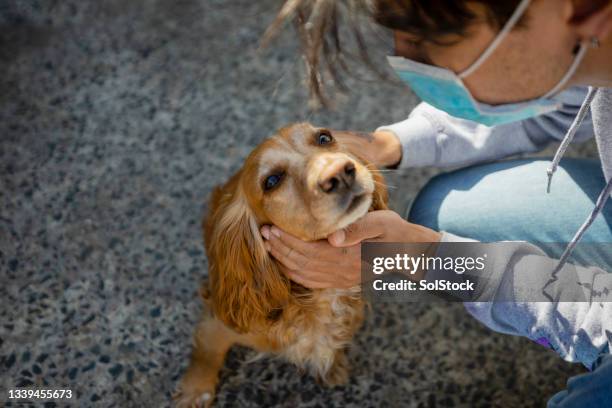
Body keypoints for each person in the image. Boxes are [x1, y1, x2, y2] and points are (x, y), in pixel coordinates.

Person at [259, 1, 612, 406]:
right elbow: (557, 101)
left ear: (584, 9)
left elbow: (598, 316)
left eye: (426, 40)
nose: (406, 61)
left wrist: (424, 258)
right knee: (448, 214)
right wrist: (391, 143)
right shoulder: (591, 44)